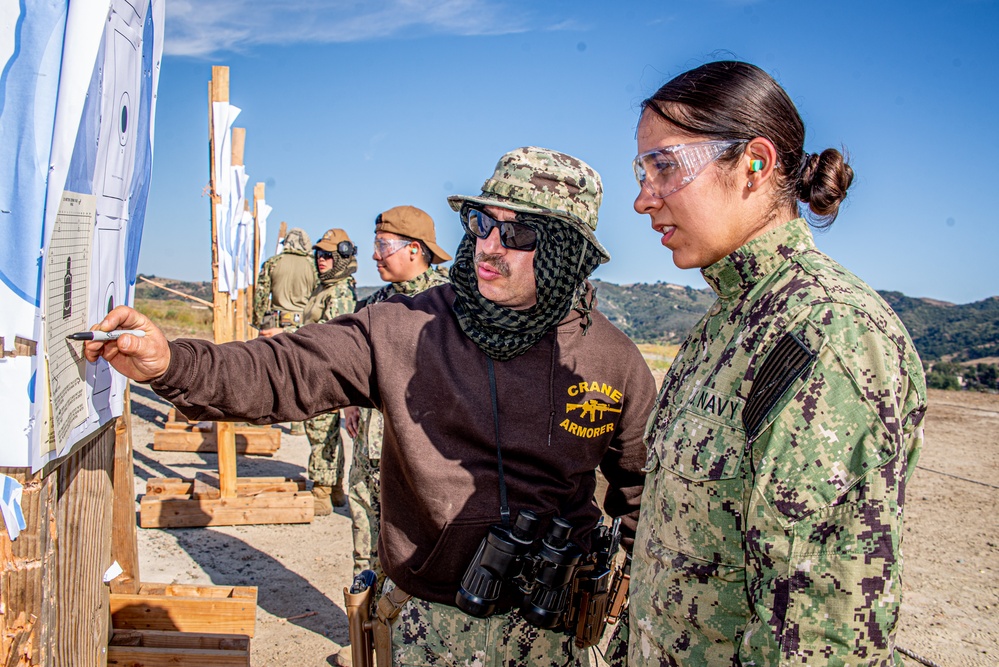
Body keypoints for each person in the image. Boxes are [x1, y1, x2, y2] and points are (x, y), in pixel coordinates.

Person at [85, 146, 656, 666]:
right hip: (427, 630)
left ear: (566, 251)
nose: (489, 245)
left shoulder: (614, 361)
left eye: (518, 234)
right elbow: (285, 370)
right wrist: (172, 364)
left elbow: (643, 502)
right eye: (481, 223)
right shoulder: (406, 328)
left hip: (554, 640)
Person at [628, 60, 927, 666]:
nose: (642, 199)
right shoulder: (727, 324)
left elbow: (821, 638)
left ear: (755, 164)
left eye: (665, 165)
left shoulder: (828, 332)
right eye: (642, 170)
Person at [342, 205, 450, 576]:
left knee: (411, 557)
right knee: (365, 553)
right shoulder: (376, 304)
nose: (374, 254)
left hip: (415, 459)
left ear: (415, 249)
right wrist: (351, 403)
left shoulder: (449, 305)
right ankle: (365, 628)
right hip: (367, 455)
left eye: (383, 244)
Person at [302, 228, 359, 514]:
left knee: (321, 430)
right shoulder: (326, 286)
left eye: (327, 255)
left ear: (342, 257)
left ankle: (322, 492)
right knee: (322, 431)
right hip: (317, 368)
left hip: (325, 371)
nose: (321, 260)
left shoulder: (338, 290)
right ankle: (333, 488)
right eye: (318, 254)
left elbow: (335, 337)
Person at [252, 227, 318, 337]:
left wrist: (258, 322)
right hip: (302, 324)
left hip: (274, 323)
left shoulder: (272, 263)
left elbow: (261, 297)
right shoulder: (314, 266)